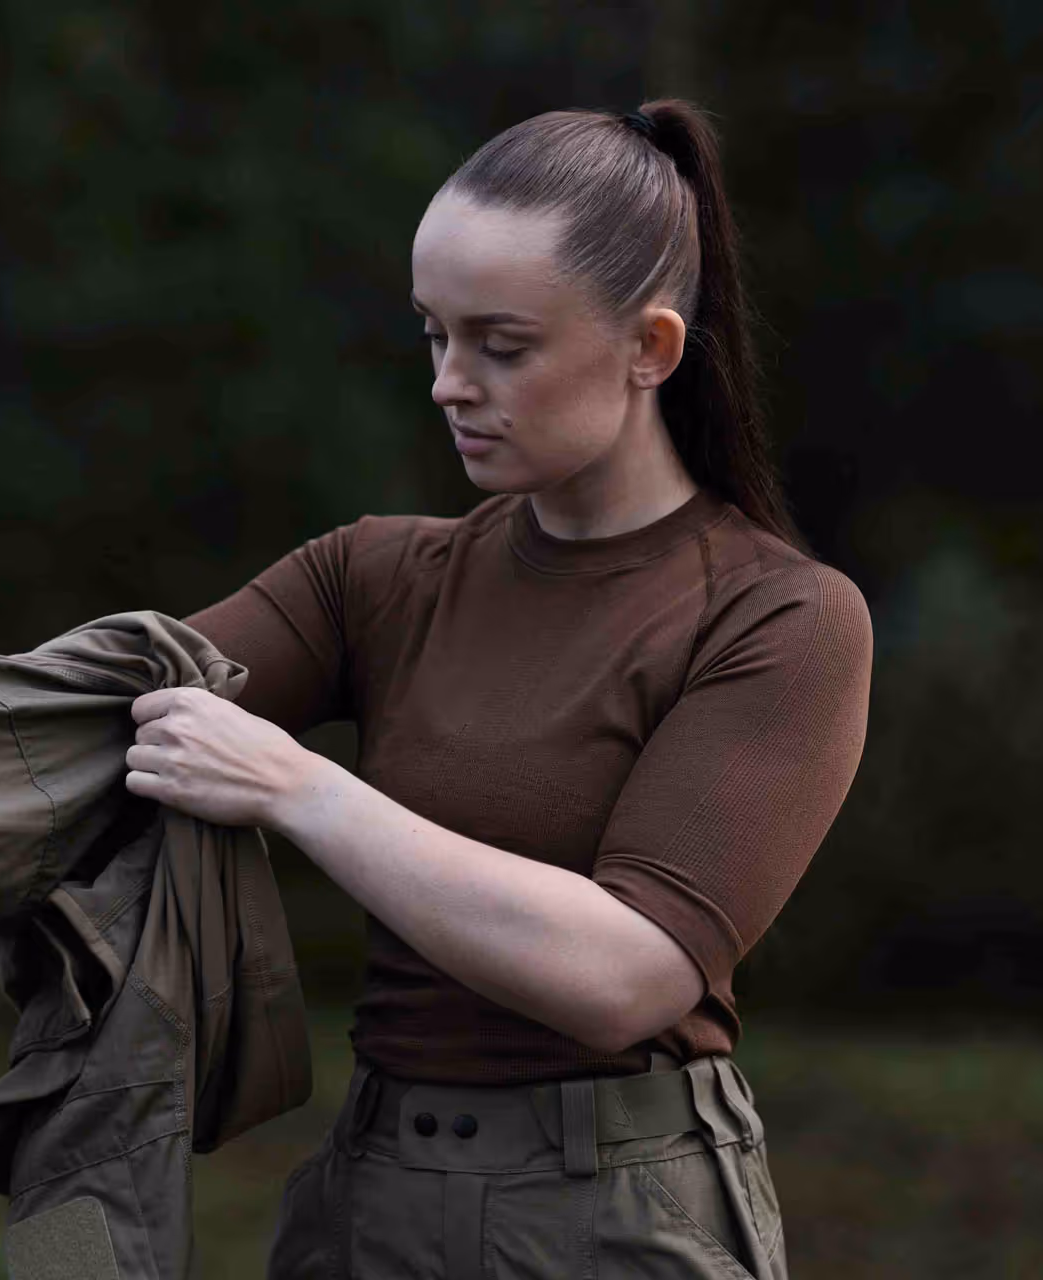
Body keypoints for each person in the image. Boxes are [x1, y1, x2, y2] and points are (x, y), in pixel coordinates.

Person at [121, 98, 872, 1280]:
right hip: (365, 1204)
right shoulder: (372, 574)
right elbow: (88, 717)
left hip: (615, 1225)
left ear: (651, 349)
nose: (449, 384)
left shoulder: (783, 617)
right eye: (433, 336)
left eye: (502, 346)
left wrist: (302, 788)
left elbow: (623, 972)